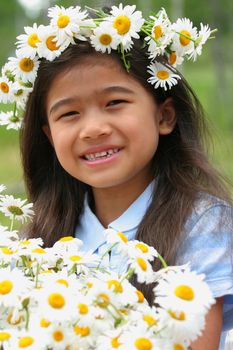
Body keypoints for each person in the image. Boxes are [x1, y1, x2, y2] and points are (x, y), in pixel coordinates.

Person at [0, 4, 232, 349]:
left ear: (165, 116)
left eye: (114, 103)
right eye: (70, 113)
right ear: (49, 137)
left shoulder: (203, 225)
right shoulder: (42, 240)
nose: (93, 129)